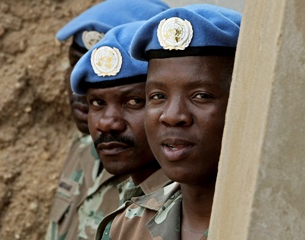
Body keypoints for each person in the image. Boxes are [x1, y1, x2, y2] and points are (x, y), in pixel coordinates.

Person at [95, 4, 242, 239]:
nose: (172, 116)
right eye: (158, 96)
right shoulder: (126, 228)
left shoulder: (277, 223)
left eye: (201, 96)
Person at [46, 0, 170, 239]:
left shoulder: (178, 190)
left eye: (131, 99)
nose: (80, 92)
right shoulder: (86, 147)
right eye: (76, 66)